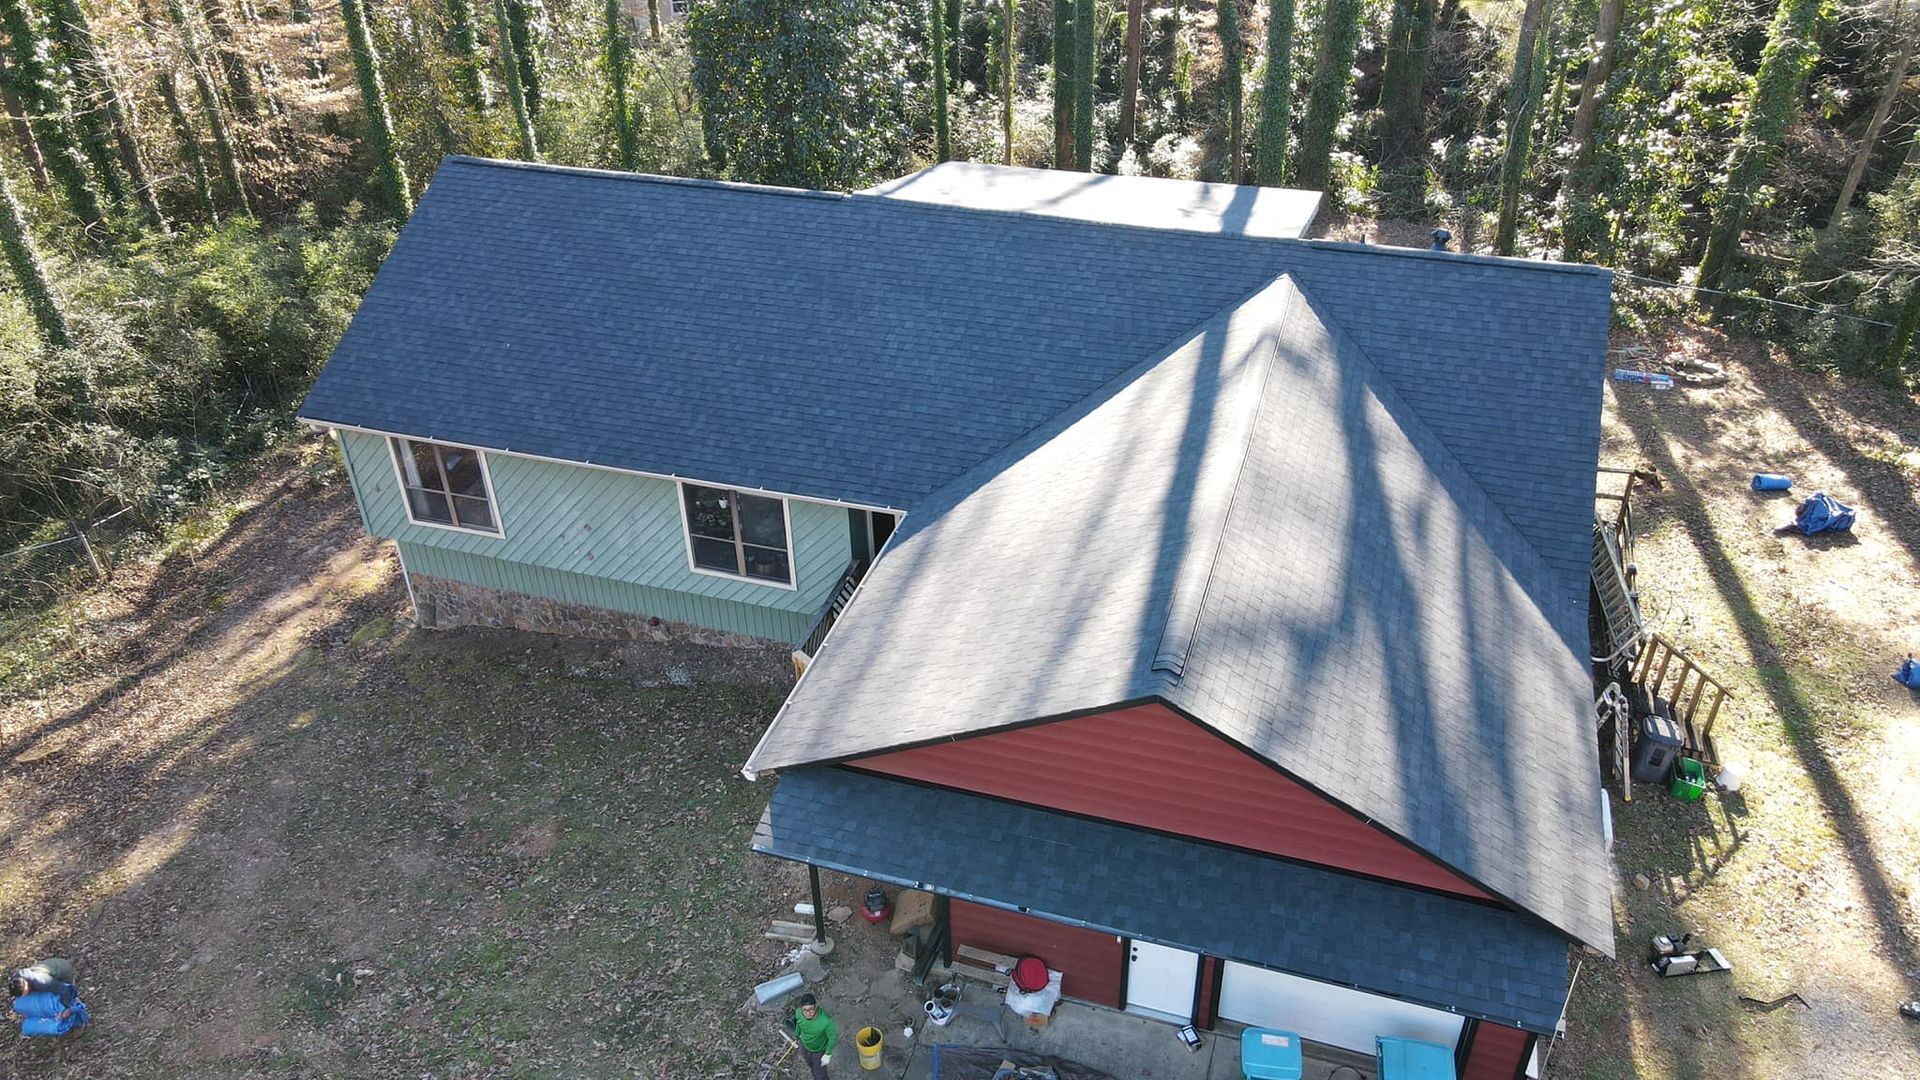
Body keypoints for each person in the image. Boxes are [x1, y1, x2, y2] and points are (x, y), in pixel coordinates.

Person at [792, 992, 837, 1079]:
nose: (808, 1013)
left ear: (816, 1006)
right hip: (804, 1045)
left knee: (821, 1075)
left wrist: (828, 1054)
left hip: (818, 1051)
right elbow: (798, 1025)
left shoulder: (826, 1021)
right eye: (805, 1010)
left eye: (811, 1009)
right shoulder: (798, 1013)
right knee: (810, 1065)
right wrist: (797, 1036)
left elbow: (832, 1038)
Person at [10, 959, 77, 1009]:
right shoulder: (17, 978)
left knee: (63, 1000)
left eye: (25, 992)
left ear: (26, 985)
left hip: (65, 972)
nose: (26, 995)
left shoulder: (42, 981)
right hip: (51, 968)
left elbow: (64, 990)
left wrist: (67, 1008)